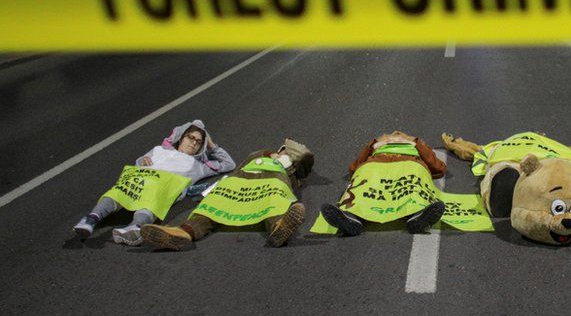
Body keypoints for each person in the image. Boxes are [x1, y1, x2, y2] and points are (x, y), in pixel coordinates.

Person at [72, 120, 234, 245]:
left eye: (198, 142)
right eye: (190, 137)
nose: (193, 142)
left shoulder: (199, 165)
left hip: (164, 187)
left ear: (201, 147)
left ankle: (135, 227)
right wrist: (143, 160)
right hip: (142, 178)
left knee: (156, 196)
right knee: (118, 191)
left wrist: (211, 144)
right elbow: (138, 163)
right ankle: (90, 220)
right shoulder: (159, 150)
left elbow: (228, 164)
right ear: (181, 137)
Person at [140, 139, 313, 250]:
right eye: (286, 151)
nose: (287, 154)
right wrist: (269, 154)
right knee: (212, 205)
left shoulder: (292, 171)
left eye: (291, 154)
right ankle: (181, 233)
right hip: (239, 182)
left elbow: (305, 158)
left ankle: (279, 228)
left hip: (270, 183)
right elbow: (239, 168)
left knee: (274, 201)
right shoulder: (260, 154)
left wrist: (287, 162)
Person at [321, 131, 446, 236]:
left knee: (411, 185)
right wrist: (373, 145)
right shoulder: (380, 146)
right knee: (364, 185)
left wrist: (417, 143)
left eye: (400, 135)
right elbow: (354, 168)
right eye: (390, 135)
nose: (395, 134)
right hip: (389, 163)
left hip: (397, 163)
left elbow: (438, 168)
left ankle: (418, 216)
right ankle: (351, 218)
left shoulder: (412, 145)